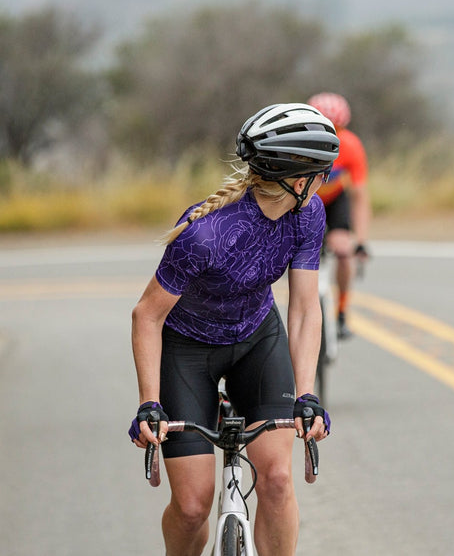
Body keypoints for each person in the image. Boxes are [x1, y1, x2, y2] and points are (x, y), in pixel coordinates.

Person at [127, 103, 336, 556]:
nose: (326, 181)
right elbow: (147, 315)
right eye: (323, 173)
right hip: (188, 351)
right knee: (192, 505)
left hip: (257, 339)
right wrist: (149, 403)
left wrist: (307, 395)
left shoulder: (308, 214)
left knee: (277, 481)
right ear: (298, 181)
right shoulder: (204, 233)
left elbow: (303, 309)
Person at [307, 92, 371, 339]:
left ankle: (342, 312)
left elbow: (360, 197)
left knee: (344, 250)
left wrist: (361, 241)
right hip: (304, 199)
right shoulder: (299, 143)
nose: (331, 135)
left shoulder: (351, 146)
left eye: (338, 129)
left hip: (334, 200)